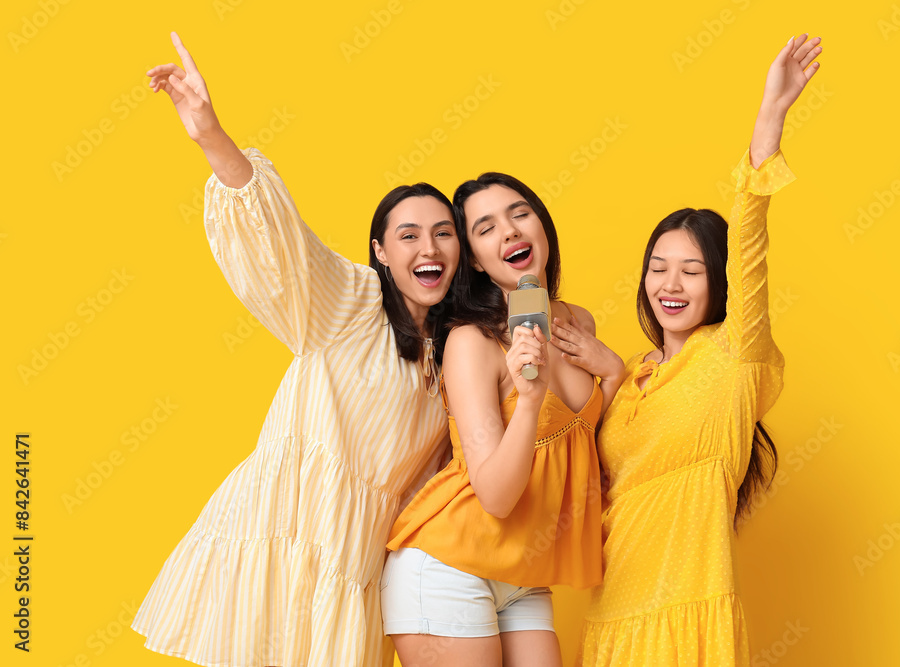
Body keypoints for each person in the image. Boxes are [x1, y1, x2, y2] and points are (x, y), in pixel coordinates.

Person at [130, 32, 463, 667]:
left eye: (444, 233)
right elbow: (281, 242)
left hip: (354, 568)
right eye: (410, 234)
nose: (429, 248)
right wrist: (210, 135)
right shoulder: (351, 300)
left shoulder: (454, 355)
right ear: (380, 251)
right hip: (278, 537)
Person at [551, 34, 824, 666]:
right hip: (612, 617)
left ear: (719, 282)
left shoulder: (735, 355)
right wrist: (613, 375)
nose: (670, 285)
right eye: (658, 268)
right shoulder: (634, 377)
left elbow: (751, 245)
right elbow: (598, 486)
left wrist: (768, 123)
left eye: (692, 270)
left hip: (688, 618)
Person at [382, 172, 626, 666]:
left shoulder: (578, 323)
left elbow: (589, 453)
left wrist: (614, 374)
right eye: (486, 228)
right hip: (449, 563)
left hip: (522, 571)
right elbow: (494, 494)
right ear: (473, 258)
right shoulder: (472, 342)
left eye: (520, 214)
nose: (511, 232)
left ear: (541, 226)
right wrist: (530, 400)